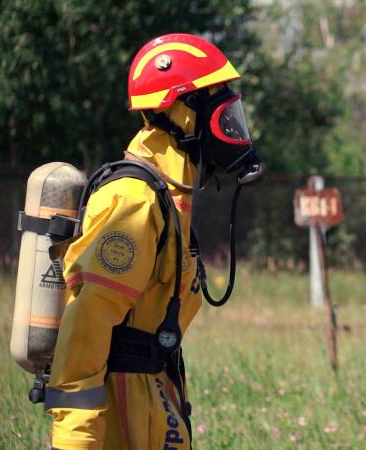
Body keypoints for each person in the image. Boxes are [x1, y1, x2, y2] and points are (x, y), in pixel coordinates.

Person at [45, 33, 261, 449]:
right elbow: (85, 330)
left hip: (156, 397)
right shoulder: (134, 201)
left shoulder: (172, 198)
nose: (230, 124)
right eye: (219, 109)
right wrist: (75, 440)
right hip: (120, 411)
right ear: (181, 113)